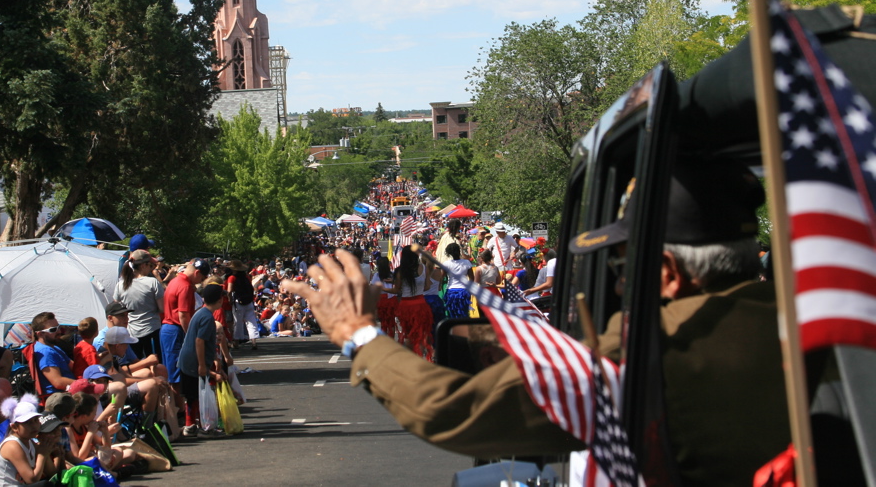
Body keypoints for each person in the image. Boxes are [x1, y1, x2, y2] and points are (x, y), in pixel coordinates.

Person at [282, 158, 791, 487]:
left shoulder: (655, 348)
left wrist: (359, 336)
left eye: (625, 265)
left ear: (666, 273)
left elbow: (451, 410)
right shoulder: (813, 323)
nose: (619, 282)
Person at [177, 282, 225, 436]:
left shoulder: (200, 313)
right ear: (219, 300)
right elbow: (200, 340)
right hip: (193, 362)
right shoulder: (207, 318)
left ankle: (190, 425)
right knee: (198, 395)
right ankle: (204, 426)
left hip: (188, 360)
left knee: (193, 396)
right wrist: (202, 365)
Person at [160, 259, 210, 400]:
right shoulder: (185, 286)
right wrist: (191, 336)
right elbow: (183, 315)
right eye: (201, 278)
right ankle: (180, 408)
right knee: (177, 373)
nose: (200, 281)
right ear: (197, 272)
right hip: (175, 329)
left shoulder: (174, 281)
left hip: (168, 328)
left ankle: (177, 408)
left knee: (171, 371)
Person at [113, 249, 164, 360]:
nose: (152, 267)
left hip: (131, 332)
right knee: (156, 365)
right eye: (150, 265)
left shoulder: (121, 285)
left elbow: (116, 306)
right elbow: (161, 308)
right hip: (152, 330)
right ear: (143, 266)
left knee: (137, 363)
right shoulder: (152, 282)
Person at [0, 394, 51, 487]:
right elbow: (32, 479)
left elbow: (51, 472)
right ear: (14, 427)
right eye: (28, 423)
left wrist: (58, 454)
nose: (34, 426)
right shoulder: (12, 445)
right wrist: (42, 454)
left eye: (36, 420)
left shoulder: (30, 442)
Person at [390, 246, 433, 360]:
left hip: (406, 305)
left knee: (408, 335)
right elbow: (428, 286)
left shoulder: (400, 271)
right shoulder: (424, 268)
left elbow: (396, 290)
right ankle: (421, 357)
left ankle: (412, 359)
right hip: (420, 304)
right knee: (421, 333)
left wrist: (382, 289)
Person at [31, 312, 75, 396]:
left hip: (71, 392)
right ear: (40, 334)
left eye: (59, 327)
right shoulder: (45, 352)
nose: (59, 331)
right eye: (53, 330)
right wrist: (85, 384)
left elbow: (74, 367)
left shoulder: (54, 347)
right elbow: (58, 382)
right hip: (61, 398)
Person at [226, 260, 259, 350]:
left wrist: (229, 299)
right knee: (251, 321)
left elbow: (229, 290)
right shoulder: (246, 277)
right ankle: (254, 342)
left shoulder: (232, 278)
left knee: (238, 322)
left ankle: (236, 341)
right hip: (248, 301)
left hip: (238, 301)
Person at [442, 242, 473, 318]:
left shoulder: (446, 264)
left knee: (452, 314)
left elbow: (441, 277)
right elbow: (472, 278)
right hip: (464, 291)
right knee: (464, 313)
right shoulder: (467, 262)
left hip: (451, 291)